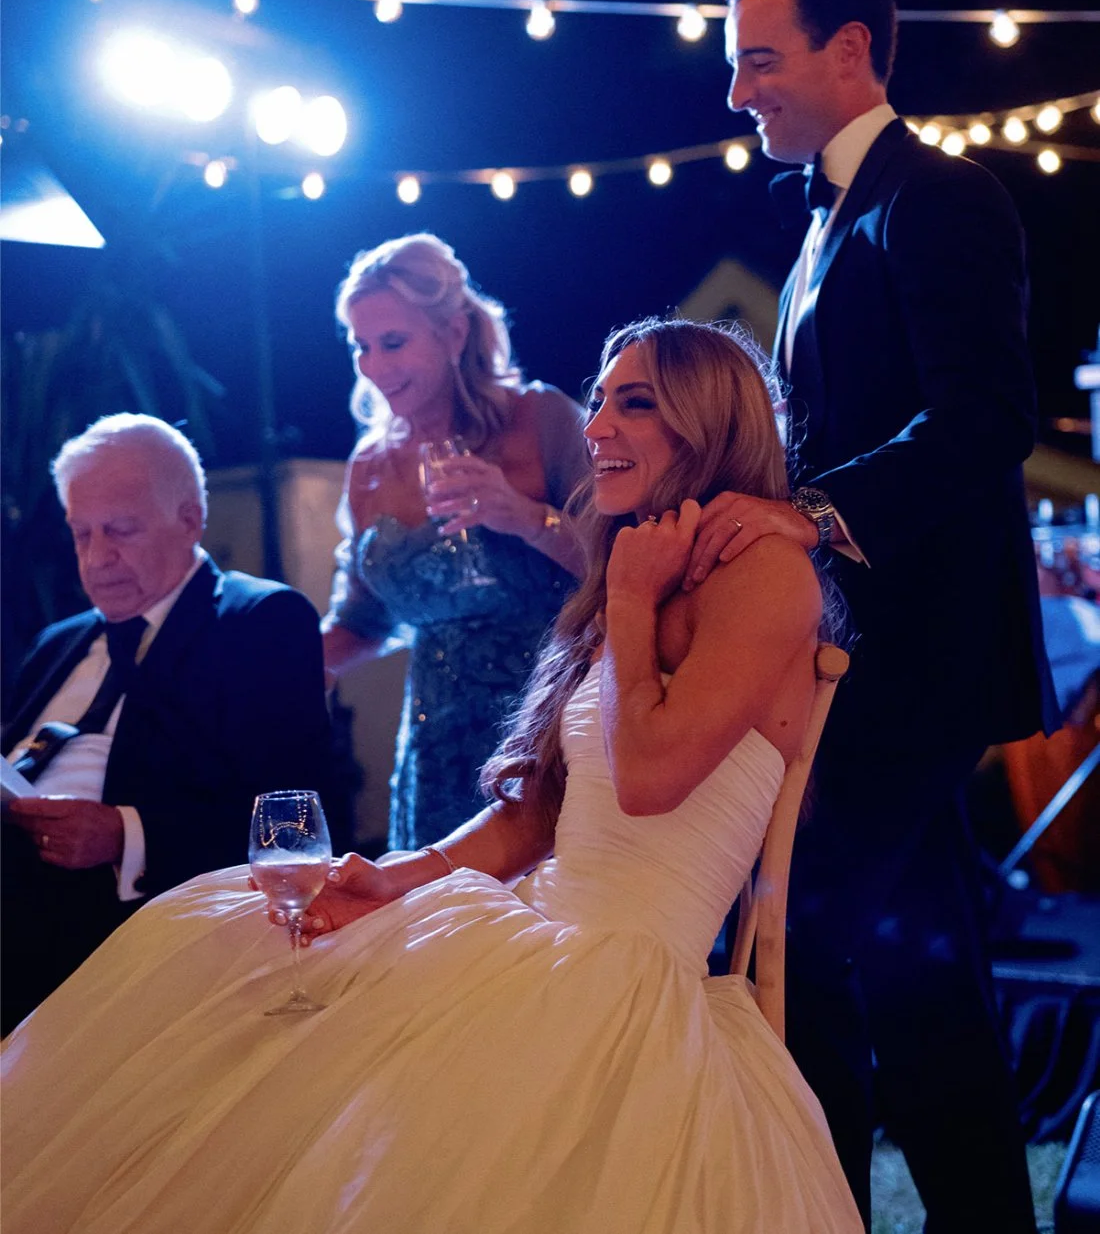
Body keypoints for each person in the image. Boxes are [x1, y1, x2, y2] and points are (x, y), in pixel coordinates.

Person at [2, 319, 862, 1234]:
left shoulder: (763, 572)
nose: (598, 422)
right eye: (601, 396)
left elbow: (651, 778)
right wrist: (391, 874)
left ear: (712, 423)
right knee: (229, 935)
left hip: (627, 978)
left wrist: (629, 596)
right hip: (535, 922)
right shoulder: (640, 572)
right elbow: (530, 819)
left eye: (634, 402)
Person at [686, 0, 1061, 1231]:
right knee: (925, 976)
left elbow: (987, 416)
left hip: (920, 661)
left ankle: (816, 1205)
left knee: (802, 940)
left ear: (849, 50)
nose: (738, 91)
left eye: (758, 57)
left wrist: (808, 514)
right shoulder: (815, 227)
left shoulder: (938, 197)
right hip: (856, 657)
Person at [1, 413, 355, 1035]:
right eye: (81, 534)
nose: (97, 559)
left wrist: (124, 835)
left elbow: (291, 817)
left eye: (122, 531)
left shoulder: (259, 621)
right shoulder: (58, 643)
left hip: (126, 921)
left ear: (190, 519)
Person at [321, 232, 587, 849]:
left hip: (547, 728)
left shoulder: (540, 418)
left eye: (393, 343)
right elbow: (364, 618)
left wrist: (525, 517)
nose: (375, 367)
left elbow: (623, 555)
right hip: (432, 747)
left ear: (454, 333)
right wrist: (289, 663)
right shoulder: (369, 467)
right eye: (362, 347)